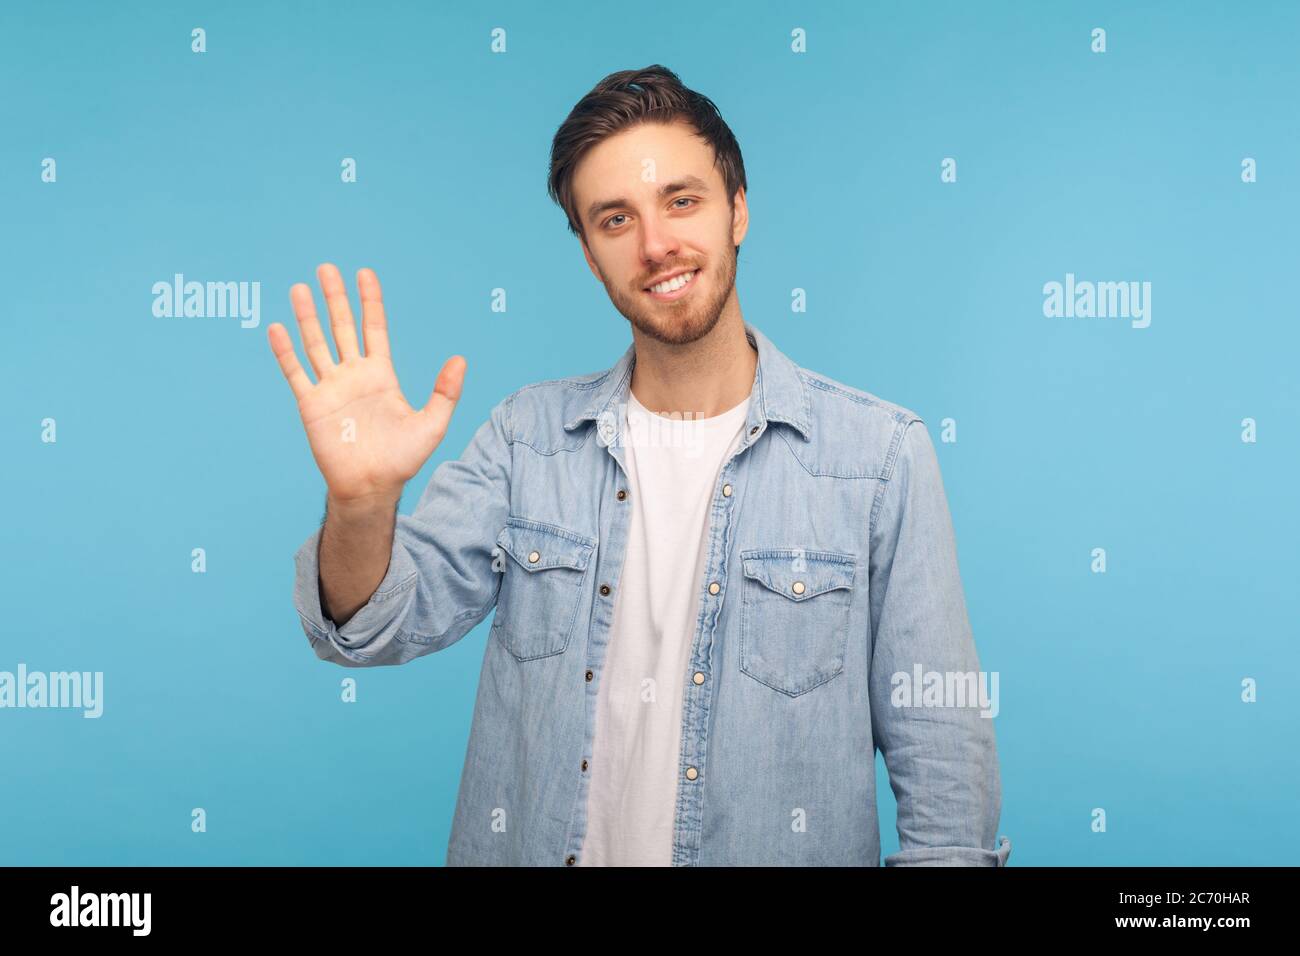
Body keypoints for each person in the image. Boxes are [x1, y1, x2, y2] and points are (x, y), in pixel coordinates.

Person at [267, 64, 1010, 867]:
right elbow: (370, 629)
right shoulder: (527, 439)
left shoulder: (879, 457)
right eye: (615, 219)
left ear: (739, 211)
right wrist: (362, 503)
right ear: (590, 254)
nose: (656, 245)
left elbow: (943, 760)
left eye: (681, 201)